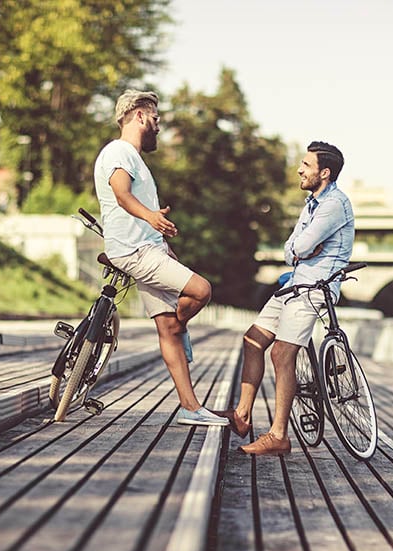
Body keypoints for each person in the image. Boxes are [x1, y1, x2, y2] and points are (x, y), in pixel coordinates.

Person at [94, 89, 227, 427]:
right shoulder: (119, 151)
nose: (158, 125)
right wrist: (152, 217)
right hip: (135, 251)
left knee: (167, 328)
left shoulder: (135, 158)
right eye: (155, 118)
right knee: (201, 290)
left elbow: (134, 207)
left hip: (147, 248)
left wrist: (164, 244)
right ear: (139, 116)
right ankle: (182, 327)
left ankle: (190, 407)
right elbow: (121, 194)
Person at [215, 141, 354, 455]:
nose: (299, 170)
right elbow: (291, 249)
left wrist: (301, 249)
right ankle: (242, 416)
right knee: (253, 340)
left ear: (325, 172)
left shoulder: (334, 204)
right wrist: (300, 249)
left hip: (315, 288)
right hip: (294, 284)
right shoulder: (312, 204)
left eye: (306, 165)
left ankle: (279, 436)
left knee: (281, 353)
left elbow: (301, 247)